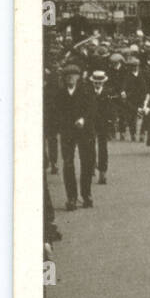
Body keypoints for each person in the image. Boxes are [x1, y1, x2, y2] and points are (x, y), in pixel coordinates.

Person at [55, 64, 97, 210]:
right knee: (68, 163)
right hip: (67, 132)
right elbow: (56, 112)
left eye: (73, 76)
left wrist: (83, 119)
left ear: (79, 77)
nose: (70, 79)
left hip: (85, 131)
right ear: (64, 78)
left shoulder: (86, 90)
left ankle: (86, 195)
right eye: (67, 76)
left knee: (86, 163)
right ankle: (71, 198)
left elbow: (92, 108)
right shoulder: (60, 93)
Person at [87, 70, 115, 187]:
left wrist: (112, 120)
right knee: (90, 145)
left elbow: (112, 108)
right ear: (93, 82)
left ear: (103, 83)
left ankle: (102, 172)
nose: (97, 85)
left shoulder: (108, 93)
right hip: (91, 122)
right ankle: (92, 165)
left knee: (103, 147)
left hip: (104, 123)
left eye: (99, 83)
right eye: (95, 83)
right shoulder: (88, 93)